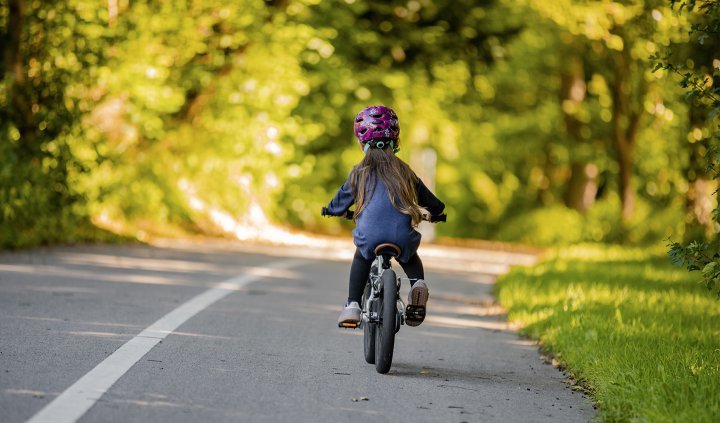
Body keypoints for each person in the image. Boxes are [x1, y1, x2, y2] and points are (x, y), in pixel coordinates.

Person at [323, 105, 445, 327]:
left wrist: (332, 210)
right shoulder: (405, 171)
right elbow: (431, 201)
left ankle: (352, 305)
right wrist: (437, 213)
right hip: (401, 237)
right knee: (409, 257)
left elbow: (338, 203)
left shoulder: (359, 173)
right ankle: (417, 284)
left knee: (361, 256)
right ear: (396, 140)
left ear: (361, 141)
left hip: (370, 236)